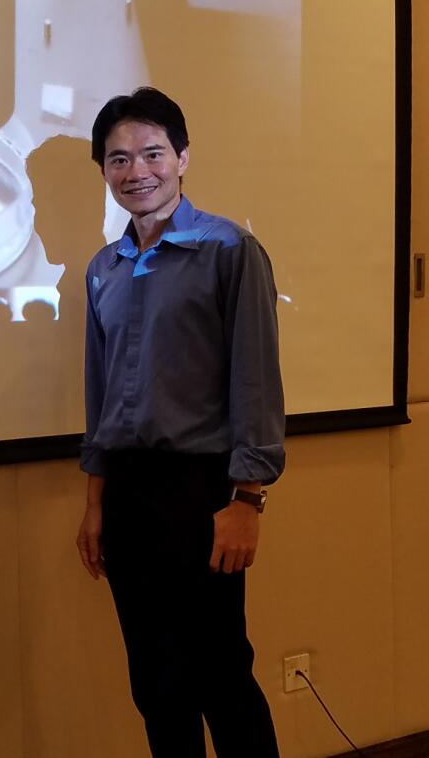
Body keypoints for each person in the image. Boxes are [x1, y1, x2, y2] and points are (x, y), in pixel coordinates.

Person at [74, 87, 285, 757]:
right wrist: (95, 505)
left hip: (204, 491)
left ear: (183, 157)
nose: (137, 171)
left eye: (152, 153)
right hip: (127, 494)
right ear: (104, 171)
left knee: (221, 675)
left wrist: (247, 499)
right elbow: (101, 399)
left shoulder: (229, 250)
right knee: (156, 683)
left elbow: (256, 380)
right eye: (118, 159)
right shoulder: (103, 269)